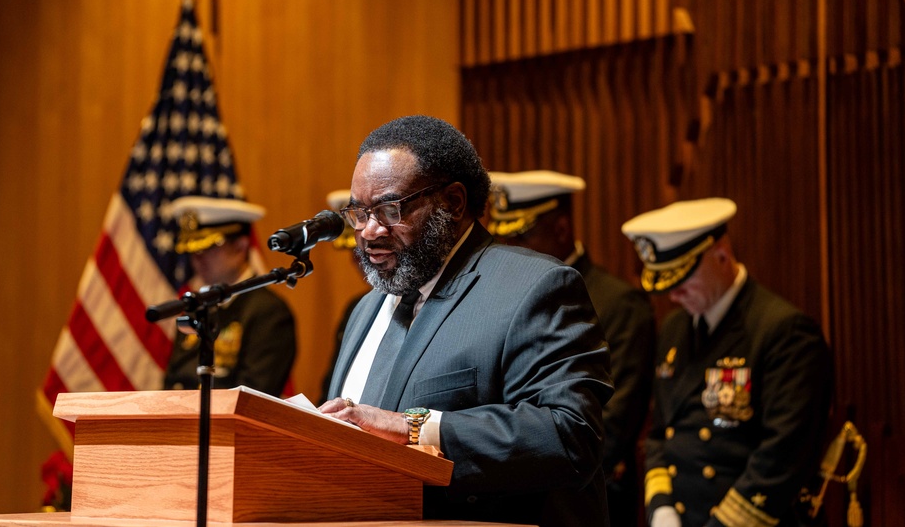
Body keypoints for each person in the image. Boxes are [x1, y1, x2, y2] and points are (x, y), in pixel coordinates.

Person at [320, 115, 614, 526]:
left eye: (389, 209)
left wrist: (411, 427)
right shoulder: (366, 309)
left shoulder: (534, 287)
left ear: (453, 203)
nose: (368, 231)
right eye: (359, 212)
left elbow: (569, 435)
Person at [621, 198, 833, 527]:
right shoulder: (675, 329)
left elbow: (782, 457)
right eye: (667, 284)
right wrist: (661, 509)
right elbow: (661, 432)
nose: (674, 295)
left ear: (721, 255)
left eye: (683, 279)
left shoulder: (784, 332)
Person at [489, 170, 655, 527]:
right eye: (506, 236)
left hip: (583, 497)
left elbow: (612, 423)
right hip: (507, 495)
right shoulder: (499, 300)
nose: (510, 249)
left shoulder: (618, 303)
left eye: (523, 235)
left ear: (562, 230)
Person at [162, 195, 296, 396]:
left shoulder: (269, 312)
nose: (198, 258)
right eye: (193, 249)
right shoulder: (197, 307)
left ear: (241, 246)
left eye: (209, 246)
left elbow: (254, 395)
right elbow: (174, 380)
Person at [318, 189, 369, 402]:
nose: (357, 261)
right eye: (354, 253)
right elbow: (332, 386)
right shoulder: (356, 308)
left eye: (363, 251)